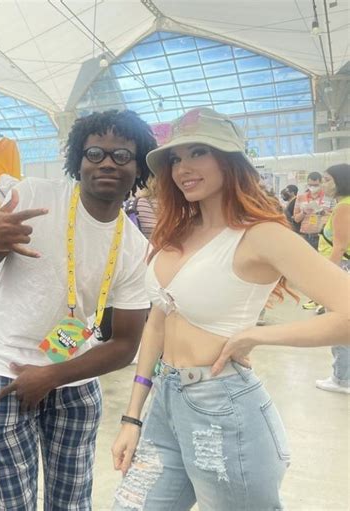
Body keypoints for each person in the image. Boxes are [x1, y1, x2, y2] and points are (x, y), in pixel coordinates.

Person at [111, 107, 349, 511]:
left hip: (223, 409)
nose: (183, 167)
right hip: (163, 404)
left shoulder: (262, 236)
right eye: (175, 158)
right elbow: (156, 324)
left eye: (198, 151)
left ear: (231, 159)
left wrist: (256, 335)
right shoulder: (178, 230)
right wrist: (132, 416)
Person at [0, 109, 157, 511]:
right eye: (95, 152)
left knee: (72, 503)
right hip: (1, 371)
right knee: (7, 505)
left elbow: (125, 344)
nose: (106, 162)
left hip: (72, 378)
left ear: (137, 169)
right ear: (78, 160)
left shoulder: (134, 246)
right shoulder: (34, 198)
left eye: (121, 156)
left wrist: (51, 375)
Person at [315, 163, 350, 394]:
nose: (324, 185)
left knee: (339, 325)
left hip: (341, 271)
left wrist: (325, 280)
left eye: (328, 180)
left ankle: (342, 378)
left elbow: (339, 247)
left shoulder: (343, 208)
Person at [293, 171, 331, 250]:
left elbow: (334, 216)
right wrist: (304, 212)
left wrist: (323, 212)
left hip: (322, 235)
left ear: (321, 183)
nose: (312, 187)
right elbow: (296, 219)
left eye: (315, 185)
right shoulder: (300, 197)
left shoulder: (329, 197)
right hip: (305, 235)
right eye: (310, 185)